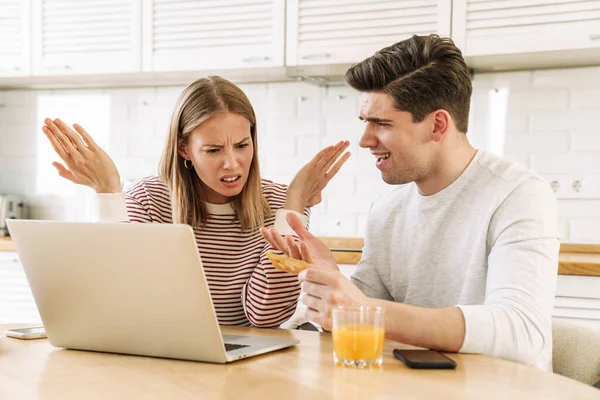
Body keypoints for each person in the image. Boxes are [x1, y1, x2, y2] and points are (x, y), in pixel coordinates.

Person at [261, 34, 559, 370]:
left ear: (437, 125)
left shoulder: (517, 194)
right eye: (365, 122)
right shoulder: (387, 209)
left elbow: (521, 332)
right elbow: (363, 309)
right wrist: (333, 280)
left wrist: (357, 306)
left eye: (382, 123)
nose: (364, 140)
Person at [42, 76, 350, 328]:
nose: (233, 164)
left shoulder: (280, 203)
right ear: (184, 149)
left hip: (248, 363)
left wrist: (294, 205)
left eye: (242, 145)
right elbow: (121, 295)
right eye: (214, 150)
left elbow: (265, 316)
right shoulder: (147, 198)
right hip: (162, 356)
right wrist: (108, 191)